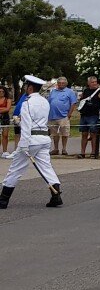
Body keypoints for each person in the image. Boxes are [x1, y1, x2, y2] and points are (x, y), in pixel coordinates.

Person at [0, 76, 62, 209]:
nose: (25, 89)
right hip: (44, 138)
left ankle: (3, 200)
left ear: (30, 88)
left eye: (25, 87)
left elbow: (27, 126)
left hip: (31, 139)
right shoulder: (45, 102)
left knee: (15, 169)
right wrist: (20, 121)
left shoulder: (27, 103)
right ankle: (56, 195)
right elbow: (39, 121)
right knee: (46, 167)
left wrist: (23, 145)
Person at [47, 77, 77, 156]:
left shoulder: (70, 92)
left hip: (63, 116)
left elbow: (73, 103)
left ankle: (64, 149)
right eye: (59, 83)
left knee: (64, 133)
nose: (61, 84)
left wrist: (69, 114)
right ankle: (56, 149)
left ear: (66, 84)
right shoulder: (53, 91)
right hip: (52, 116)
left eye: (63, 83)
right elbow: (49, 102)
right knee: (54, 134)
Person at [77, 76, 100, 158]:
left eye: (95, 82)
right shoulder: (85, 91)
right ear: (88, 83)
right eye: (92, 82)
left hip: (93, 115)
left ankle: (93, 152)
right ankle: (82, 152)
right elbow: (82, 100)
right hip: (84, 115)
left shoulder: (99, 92)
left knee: (93, 134)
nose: (94, 83)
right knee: (84, 134)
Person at [0, 86, 11, 154]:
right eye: (0, 91)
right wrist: (3, 109)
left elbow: (8, 109)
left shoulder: (8, 99)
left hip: (5, 118)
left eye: (3, 91)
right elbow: (5, 109)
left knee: (5, 135)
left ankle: (5, 151)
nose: (1, 92)